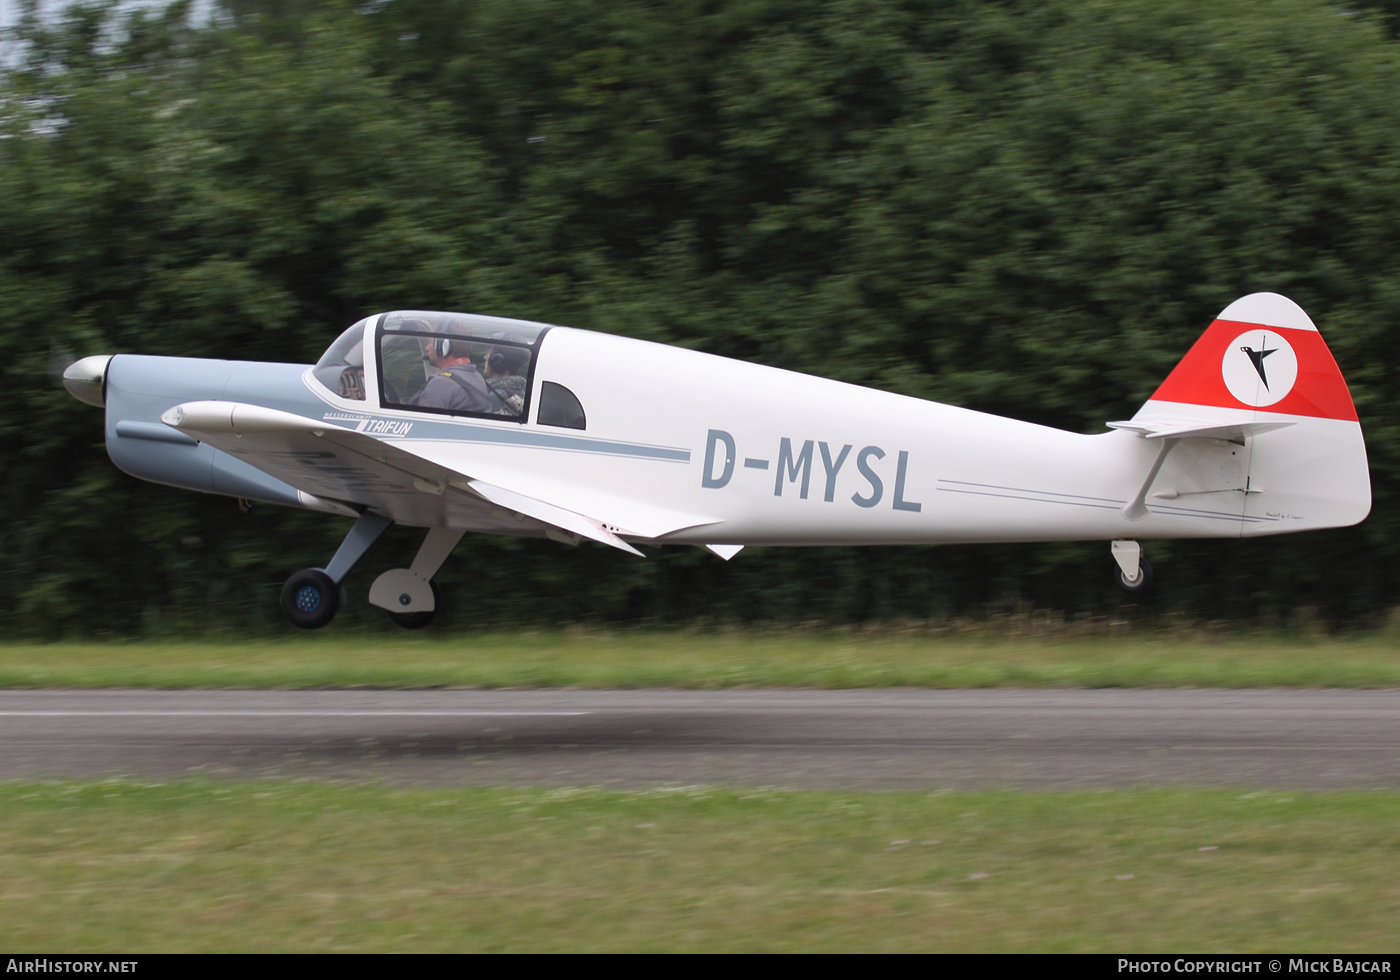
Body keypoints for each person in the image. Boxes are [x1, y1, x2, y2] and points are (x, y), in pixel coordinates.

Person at [406, 334, 499, 413]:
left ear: (443, 346)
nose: (426, 348)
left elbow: (423, 426)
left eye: (430, 342)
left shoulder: (441, 383)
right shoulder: (476, 377)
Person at [482, 345, 529, 416]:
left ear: (497, 361)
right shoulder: (521, 392)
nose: (485, 357)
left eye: (489, 354)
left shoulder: (494, 396)